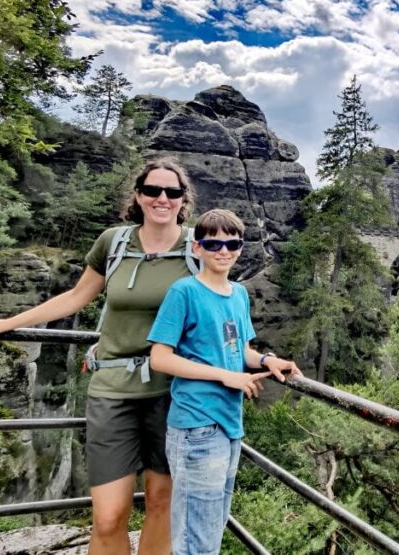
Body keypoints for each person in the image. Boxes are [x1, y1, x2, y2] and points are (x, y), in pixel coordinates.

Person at [0, 157, 200, 555]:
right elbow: (75, 297)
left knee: (161, 503)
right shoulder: (114, 242)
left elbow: (223, 310)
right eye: (152, 190)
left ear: (182, 199)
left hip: (174, 393)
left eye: (172, 192)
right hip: (112, 391)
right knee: (107, 517)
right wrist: (3, 323)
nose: (162, 198)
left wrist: (258, 359)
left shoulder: (197, 248)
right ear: (138, 196)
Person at [147, 208, 302, 555]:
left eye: (232, 243)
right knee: (195, 539)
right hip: (196, 426)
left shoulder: (239, 294)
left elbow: (239, 350)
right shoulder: (183, 292)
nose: (223, 251)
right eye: (213, 243)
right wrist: (224, 375)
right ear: (197, 248)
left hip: (230, 427)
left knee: (212, 528)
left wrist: (267, 360)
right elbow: (160, 358)